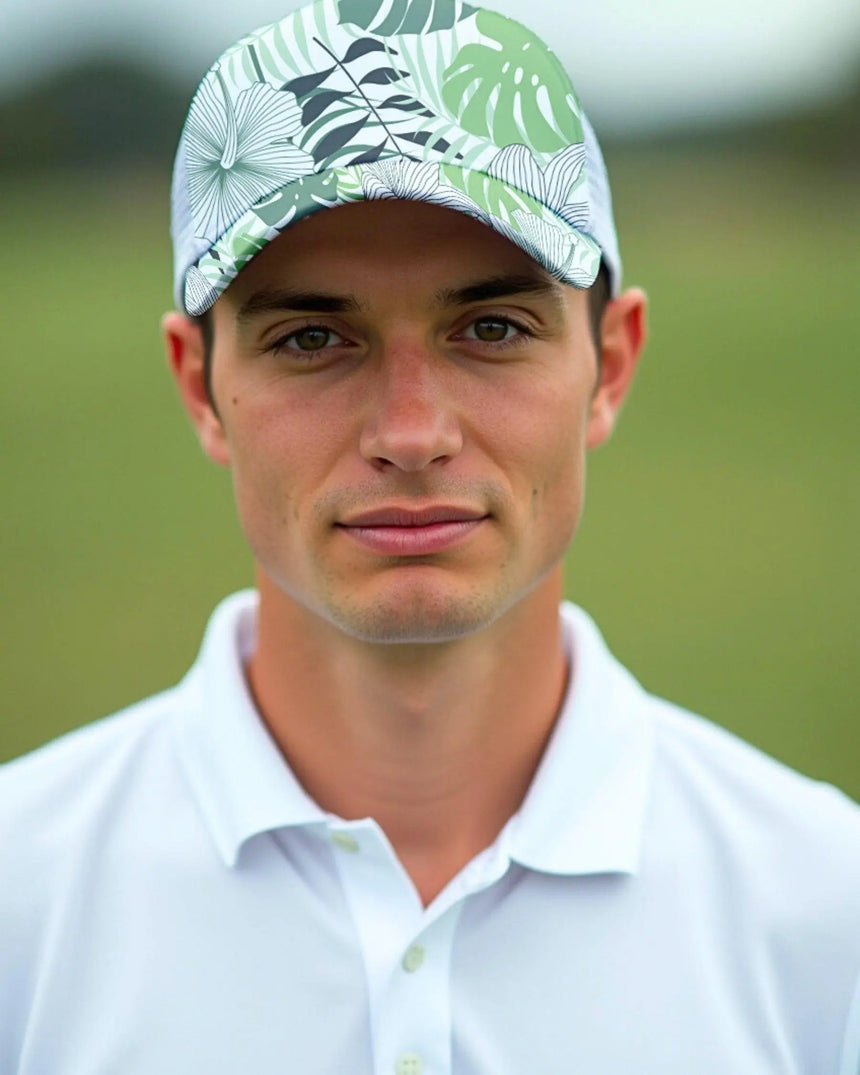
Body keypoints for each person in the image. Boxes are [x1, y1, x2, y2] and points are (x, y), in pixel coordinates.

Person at [2, 0, 859, 1071]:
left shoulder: (824, 909)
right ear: (200, 387)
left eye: (490, 328)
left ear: (612, 364)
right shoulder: (20, 903)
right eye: (312, 337)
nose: (410, 433)